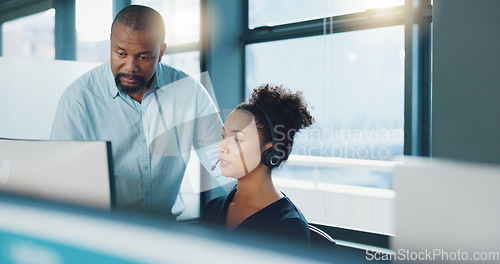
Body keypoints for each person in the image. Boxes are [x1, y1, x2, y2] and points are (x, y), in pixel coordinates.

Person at [51, 5, 227, 219]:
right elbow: (61, 179)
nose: (130, 67)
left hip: (164, 230)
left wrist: (264, 202)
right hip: (102, 229)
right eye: (120, 53)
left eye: (143, 57)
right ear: (110, 44)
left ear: (161, 52)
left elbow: (221, 160)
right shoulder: (79, 98)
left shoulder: (188, 90)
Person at [200, 84, 314, 244]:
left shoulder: (288, 226)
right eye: (224, 135)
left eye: (238, 139)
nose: (222, 147)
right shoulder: (212, 209)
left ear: (269, 151)